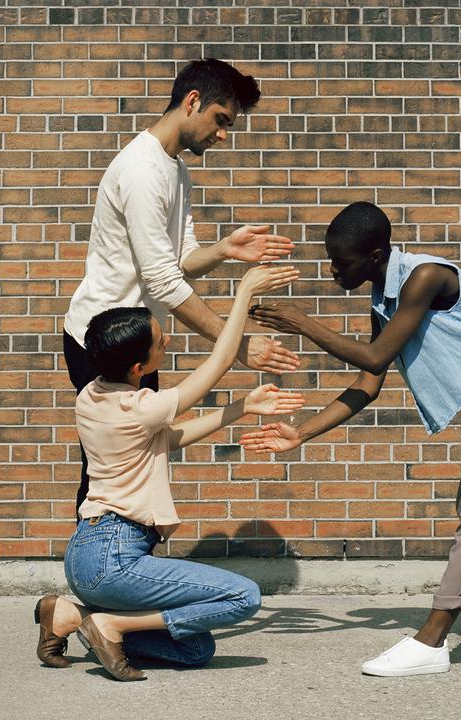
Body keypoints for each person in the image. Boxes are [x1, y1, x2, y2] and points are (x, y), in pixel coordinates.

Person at [243, 201, 461, 676]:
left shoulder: (424, 276)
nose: (334, 270)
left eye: (342, 261)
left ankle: (433, 639)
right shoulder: (384, 297)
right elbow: (368, 384)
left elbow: (374, 358)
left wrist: (302, 323)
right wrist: (301, 434)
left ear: (375, 255)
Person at [36, 263, 304, 681]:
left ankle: (72, 613)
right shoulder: (142, 407)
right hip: (116, 555)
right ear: (138, 369)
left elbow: (170, 438)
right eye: (161, 343)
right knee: (244, 595)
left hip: (85, 555)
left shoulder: (91, 397)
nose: (168, 342)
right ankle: (111, 625)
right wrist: (244, 294)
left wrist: (242, 408)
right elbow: (217, 364)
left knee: (196, 648)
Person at [63, 58, 299, 513]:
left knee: (144, 464)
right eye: (221, 120)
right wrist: (238, 342)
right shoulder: (142, 170)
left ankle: (119, 572)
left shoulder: (174, 170)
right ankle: (100, 570)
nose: (224, 134)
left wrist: (224, 250)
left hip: (138, 339)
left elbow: (180, 263)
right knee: (110, 474)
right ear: (193, 102)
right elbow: (162, 280)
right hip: (105, 340)